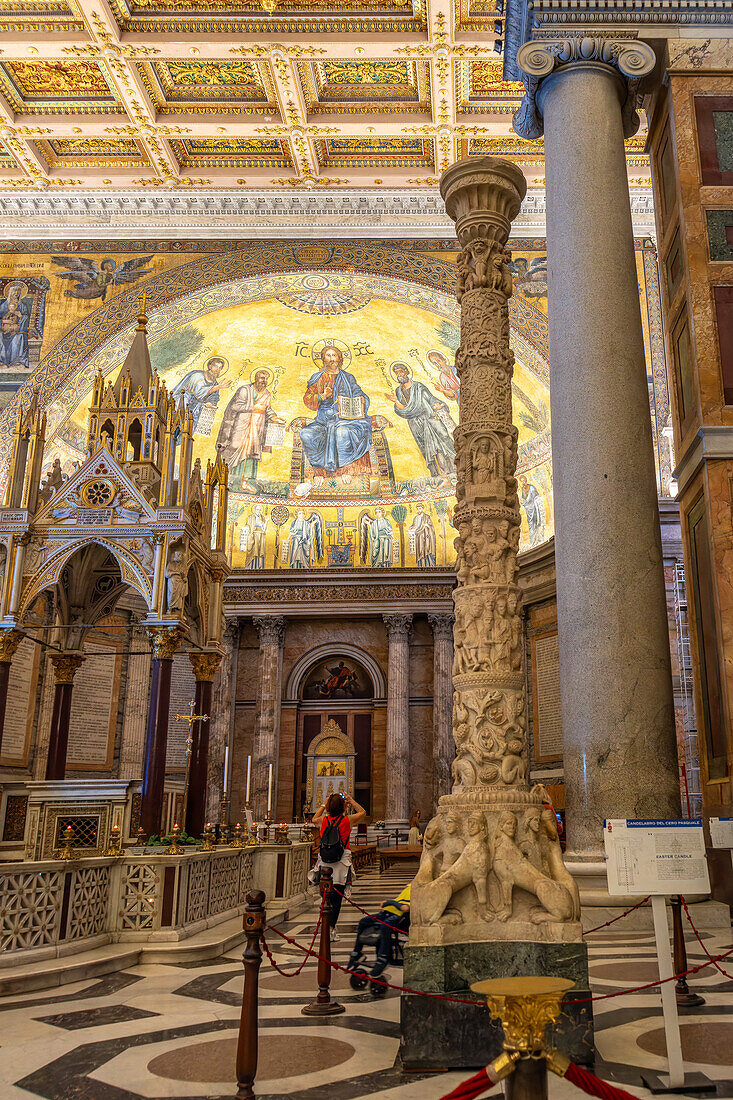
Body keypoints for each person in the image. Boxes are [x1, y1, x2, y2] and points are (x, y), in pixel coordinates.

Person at [300, 345, 372, 484]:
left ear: (339, 358)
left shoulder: (348, 378)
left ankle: (346, 469)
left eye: (334, 355)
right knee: (306, 434)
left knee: (342, 433)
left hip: (346, 419)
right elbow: (308, 400)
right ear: (323, 359)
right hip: (323, 420)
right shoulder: (318, 378)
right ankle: (319, 471)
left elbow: (360, 395)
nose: (332, 359)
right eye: (328, 355)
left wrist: (362, 400)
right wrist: (321, 396)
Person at [385, 363, 456, 483]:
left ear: (407, 372)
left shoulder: (419, 387)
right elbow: (403, 410)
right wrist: (396, 401)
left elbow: (430, 398)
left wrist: (438, 405)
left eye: (401, 372)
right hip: (415, 424)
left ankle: (452, 471)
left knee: (440, 445)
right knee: (427, 449)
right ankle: (439, 476)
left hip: (429, 420)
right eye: (397, 373)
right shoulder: (398, 391)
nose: (399, 375)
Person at [216, 368, 284, 491]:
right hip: (241, 425)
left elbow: (266, 409)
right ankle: (223, 478)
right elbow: (235, 406)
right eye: (262, 378)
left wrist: (274, 417)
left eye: (266, 379)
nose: (264, 381)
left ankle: (244, 483)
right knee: (233, 448)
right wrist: (253, 407)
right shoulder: (245, 390)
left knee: (251, 455)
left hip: (256, 429)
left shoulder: (267, 394)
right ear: (256, 378)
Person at [312, 791, 366, 940]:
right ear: (343, 806)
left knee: (325, 897)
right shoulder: (347, 821)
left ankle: (326, 927)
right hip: (341, 861)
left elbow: (314, 818)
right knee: (337, 898)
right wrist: (351, 800)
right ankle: (330, 929)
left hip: (325, 862)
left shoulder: (323, 821)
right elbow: (363, 812)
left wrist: (325, 803)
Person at [347, 885, 410, 980]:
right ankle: (357, 952)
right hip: (388, 912)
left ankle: (383, 957)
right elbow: (400, 901)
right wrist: (391, 903)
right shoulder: (409, 887)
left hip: (400, 916)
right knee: (364, 922)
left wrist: (390, 902)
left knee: (385, 926)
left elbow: (405, 908)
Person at [170, 356, 231, 433]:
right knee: (179, 424)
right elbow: (199, 394)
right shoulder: (198, 376)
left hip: (194, 410)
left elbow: (214, 397)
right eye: (215, 366)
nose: (217, 370)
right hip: (183, 402)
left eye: (220, 368)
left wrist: (210, 403)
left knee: (189, 429)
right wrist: (216, 387)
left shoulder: (215, 383)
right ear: (209, 366)